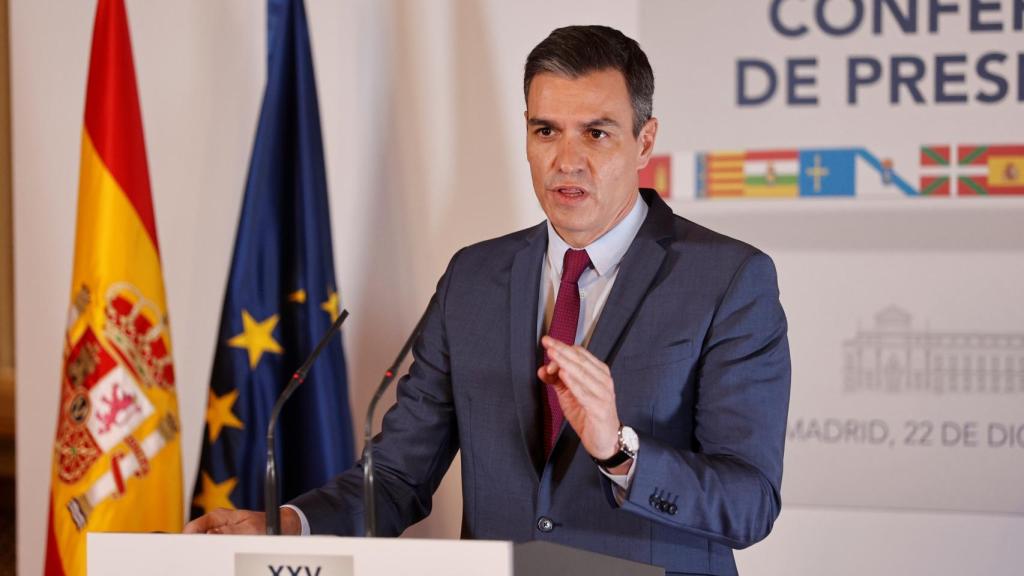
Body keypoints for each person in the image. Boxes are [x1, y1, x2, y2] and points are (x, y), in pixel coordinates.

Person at [186, 25, 791, 576]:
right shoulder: (473, 277)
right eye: (545, 131)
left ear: (644, 141)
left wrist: (619, 453)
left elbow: (749, 504)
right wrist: (287, 525)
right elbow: (396, 476)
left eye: (596, 133)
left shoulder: (728, 280)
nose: (567, 160)